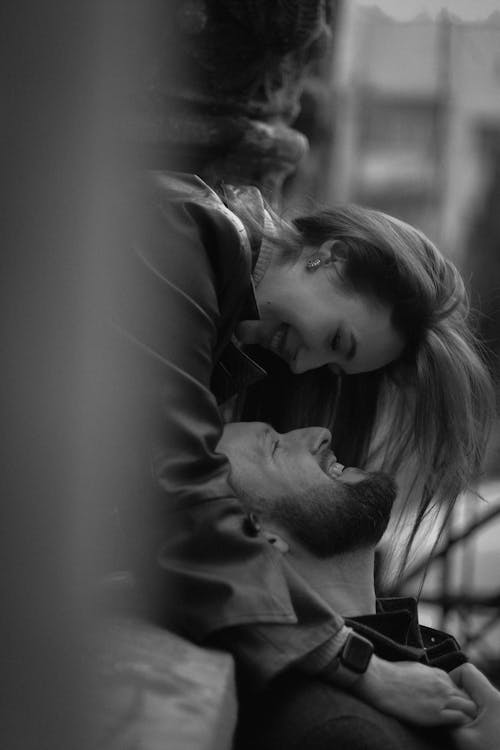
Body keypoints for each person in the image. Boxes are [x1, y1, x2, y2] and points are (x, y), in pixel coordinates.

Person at [112, 172, 494, 721]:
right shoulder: (184, 242)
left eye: (333, 364)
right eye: (337, 341)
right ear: (331, 256)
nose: (303, 365)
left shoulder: (214, 306)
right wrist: (357, 664)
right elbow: (176, 490)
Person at [216, 420, 498, 750]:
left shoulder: (414, 658)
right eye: (275, 447)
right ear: (261, 535)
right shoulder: (340, 730)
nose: (321, 433)